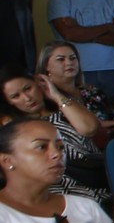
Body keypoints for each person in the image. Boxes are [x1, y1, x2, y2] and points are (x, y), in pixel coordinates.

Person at [10, 50, 108, 204]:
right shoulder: (19, 129)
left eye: (28, 88)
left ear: (38, 82)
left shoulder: (64, 109)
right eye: (16, 96)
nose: (27, 98)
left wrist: (55, 94)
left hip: (96, 176)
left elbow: (90, 128)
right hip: (60, 187)